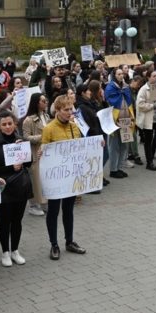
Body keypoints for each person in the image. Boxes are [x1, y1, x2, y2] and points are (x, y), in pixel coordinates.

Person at [40, 96, 91, 260]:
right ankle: (53, 244)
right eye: (66, 110)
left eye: (71, 109)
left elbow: (80, 148)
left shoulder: (74, 127)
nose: (70, 113)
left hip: (70, 177)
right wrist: (41, 152)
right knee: (53, 211)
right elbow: (45, 152)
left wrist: (97, 145)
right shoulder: (49, 129)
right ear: (57, 110)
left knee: (68, 210)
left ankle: (69, 241)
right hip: (55, 179)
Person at [0, 111, 32, 267]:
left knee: (17, 220)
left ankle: (15, 250)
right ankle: (5, 252)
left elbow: (29, 163)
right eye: (4, 124)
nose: (8, 127)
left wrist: (23, 157)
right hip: (3, 189)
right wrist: (10, 167)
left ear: (15, 124)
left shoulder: (20, 140)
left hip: (20, 187)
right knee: (5, 222)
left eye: (10, 123)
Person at [135, 71, 156, 171]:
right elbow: (140, 105)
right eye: (153, 76)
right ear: (148, 77)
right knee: (148, 141)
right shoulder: (143, 89)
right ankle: (149, 162)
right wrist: (152, 105)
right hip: (148, 119)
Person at [22, 93, 49, 216]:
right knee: (35, 180)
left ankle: (43, 202)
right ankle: (33, 205)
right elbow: (26, 137)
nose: (46, 102)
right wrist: (42, 137)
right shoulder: (28, 120)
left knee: (44, 179)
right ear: (37, 103)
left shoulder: (46, 116)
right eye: (43, 101)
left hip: (45, 152)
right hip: (34, 153)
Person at [105, 68, 133, 178]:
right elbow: (109, 99)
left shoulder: (126, 87)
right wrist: (120, 94)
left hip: (126, 117)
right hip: (115, 118)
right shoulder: (110, 87)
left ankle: (120, 167)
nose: (121, 75)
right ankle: (113, 169)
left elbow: (129, 100)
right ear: (114, 75)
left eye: (122, 74)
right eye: (119, 74)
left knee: (124, 144)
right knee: (114, 145)